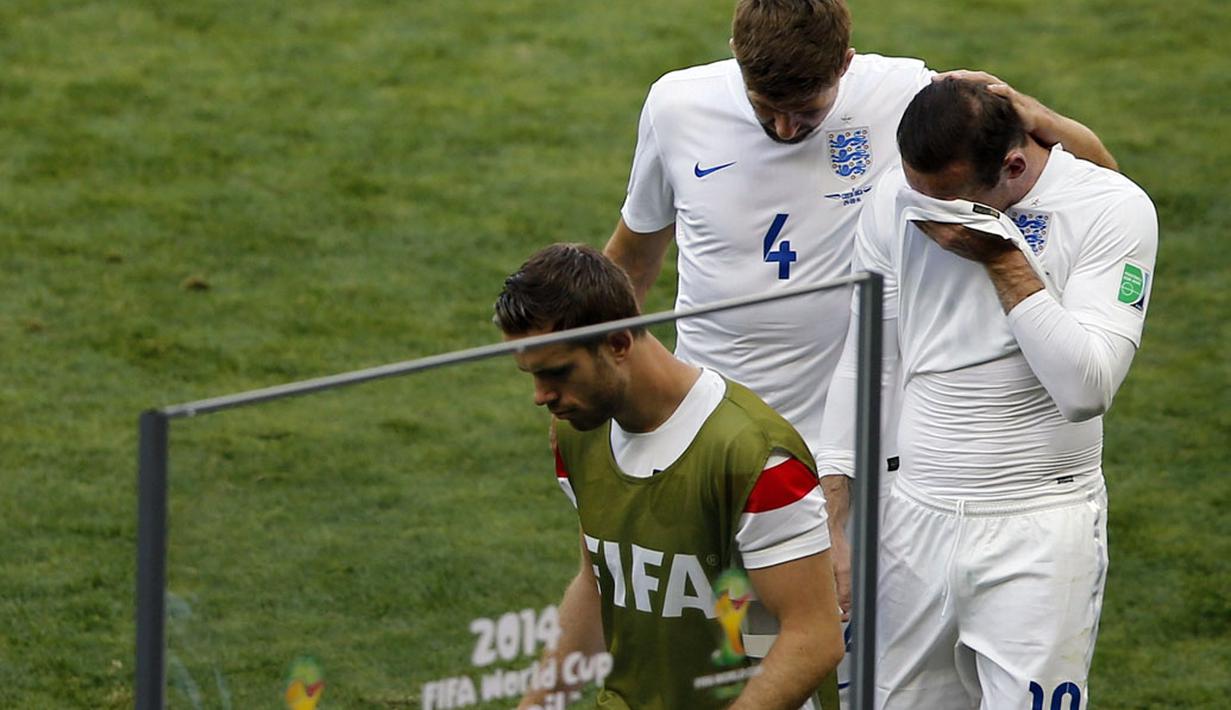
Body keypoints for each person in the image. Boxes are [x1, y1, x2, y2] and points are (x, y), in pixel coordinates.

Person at [602, 2, 1118, 666]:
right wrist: (604, 380)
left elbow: (1100, 187)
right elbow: (635, 254)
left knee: (862, 670)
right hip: (726, 453)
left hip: (871, 457)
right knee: (748, 664)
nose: (786, 128)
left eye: (806, 112)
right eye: (767, 109)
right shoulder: (674, 106)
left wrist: (1034, 113)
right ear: (734, 52)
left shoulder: (906, 93)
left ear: (845, 65)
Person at [817, 77, 1157, 708]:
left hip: (1038, 531)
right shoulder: (902, 194)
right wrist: (835, 519)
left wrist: (1004, 262)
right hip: (910, 519)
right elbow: (868, 363)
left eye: (947, 200)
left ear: (1013, 166)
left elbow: (1085, 386)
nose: (926, 211)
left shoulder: (1112, 210)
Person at [495, 243, 844, 709]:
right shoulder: (580, 432)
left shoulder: (755, 457)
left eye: (557, 372)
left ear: (618, 343)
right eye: (531, 376)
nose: (541, 396)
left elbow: (814, 637)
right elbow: (599, 581)